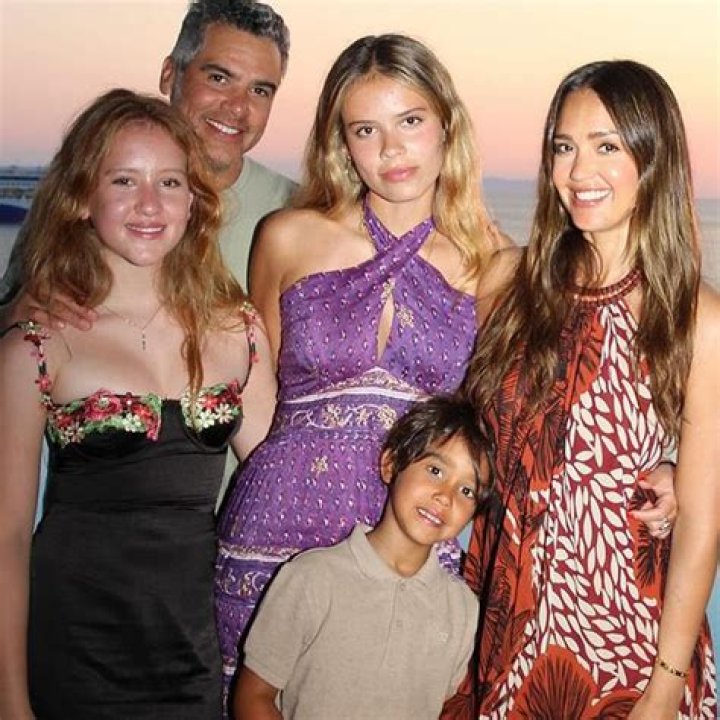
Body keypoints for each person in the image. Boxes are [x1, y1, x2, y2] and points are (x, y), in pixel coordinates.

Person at [213, 32, 499, 703]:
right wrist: (293, 471)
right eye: (366, 130)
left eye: (410, 121)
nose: (391, 150)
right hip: (275, 529)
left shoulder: (492, 265)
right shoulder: (288, 236)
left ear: (447, 124)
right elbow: (259, 387)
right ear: (341, 142)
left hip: (410, 539)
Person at [443, 60, 718, 719]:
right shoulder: (509, 282)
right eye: (564, 147)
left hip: (626, 640)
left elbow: (702, 521)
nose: (578, 170)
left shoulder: (694, 319)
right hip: (506, 624)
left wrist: (664, 687)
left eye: (607, 146)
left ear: (653, 159)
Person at [0, 89, 277, 719]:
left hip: (195, 649)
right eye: (124, 180)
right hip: (70, 647)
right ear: (82, 196)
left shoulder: (237, 329)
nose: (149, 204)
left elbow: (277, 485)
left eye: (169, 182)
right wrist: (11, 702)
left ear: (194, 200)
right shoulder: (37, 345)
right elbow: (7, 539)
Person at [0, 0, 295, 304]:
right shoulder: (86, 188)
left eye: (260, 90)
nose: (238, 107)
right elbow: (14, 300)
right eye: (219, 78)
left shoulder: (295, 211)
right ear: (170, 74)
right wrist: (19, 315)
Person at [233, 395, 492, 720]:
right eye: (435, 470)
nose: (446, 496)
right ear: (391, 464)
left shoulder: (463, 610)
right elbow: (253, 696)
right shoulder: (312, 577)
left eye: (467, 490)